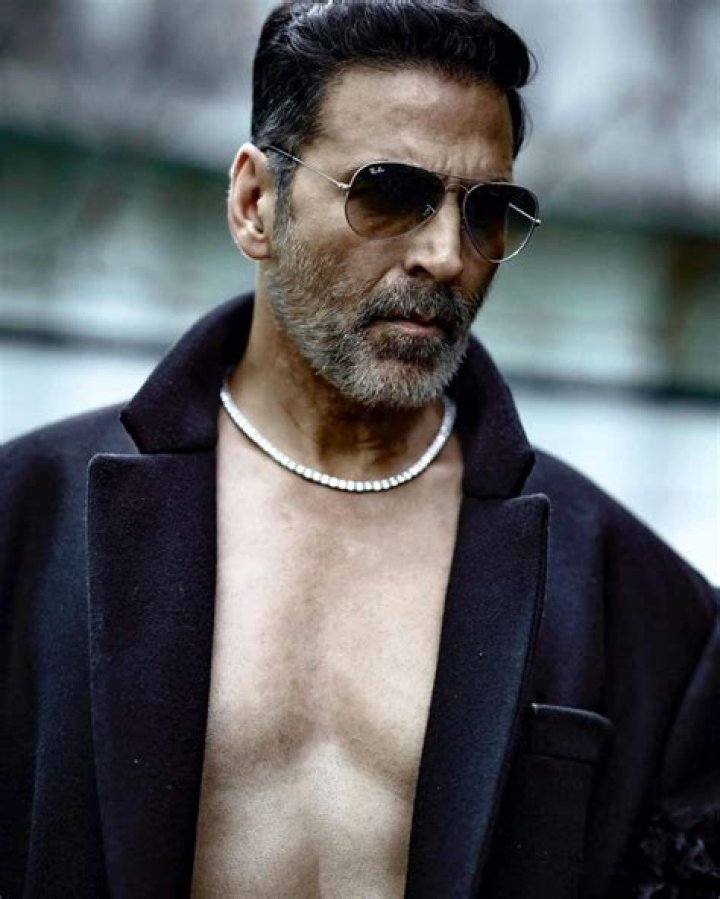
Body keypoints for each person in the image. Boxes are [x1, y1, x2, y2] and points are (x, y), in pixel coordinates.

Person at [1, 1, 718, 897]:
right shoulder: (29, 521)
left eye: (488, 210)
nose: (445, 255)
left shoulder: (631, 595)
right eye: (388, 191)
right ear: (255, 203)